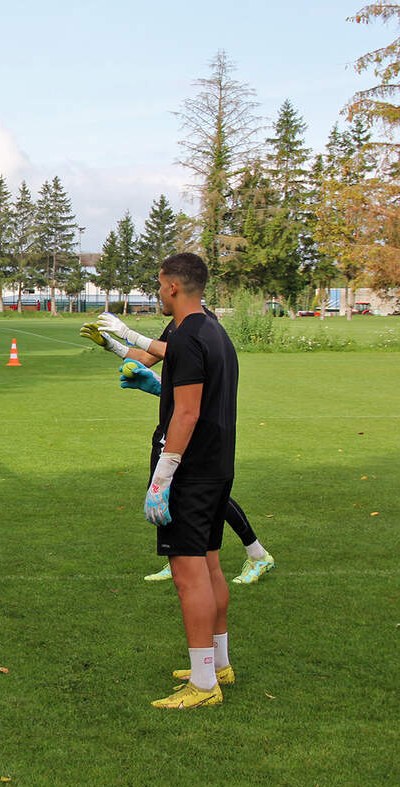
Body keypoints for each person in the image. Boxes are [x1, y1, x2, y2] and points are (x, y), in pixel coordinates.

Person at [113, 253, 238, 709]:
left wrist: (163, 476)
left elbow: (186, 412)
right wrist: (128, 353)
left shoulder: (187, 336)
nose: (157, 292)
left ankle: (204, 686)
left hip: (190, 471)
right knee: (209, 565)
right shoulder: (213, 330)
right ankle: (217, 662)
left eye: (159, 285)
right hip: (217, 466)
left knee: (189, 575)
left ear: (171, 287)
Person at [80, 311, 274, 587]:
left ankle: (257, 554)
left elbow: (182, 356)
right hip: (169, 424)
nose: (159, 293)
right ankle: (178, 558)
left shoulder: (203, 324)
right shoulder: (177, 324)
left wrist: (128, 333)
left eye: (162, 284)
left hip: (196, 432)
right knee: (166, 495)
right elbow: (149, 357)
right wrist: (113, 346)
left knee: (208, 496)